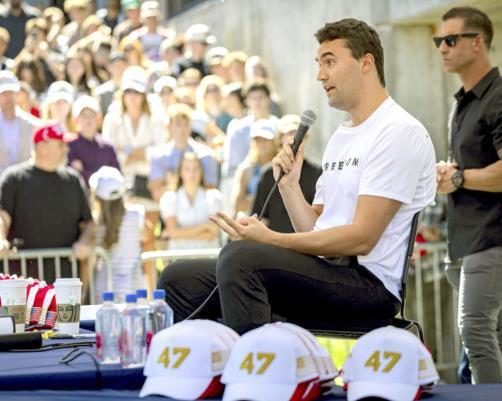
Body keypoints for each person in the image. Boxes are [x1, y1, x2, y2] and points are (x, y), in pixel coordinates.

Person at [157, 18, 436, 335]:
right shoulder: (342, 136)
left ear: (366, 63)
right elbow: (315, 227)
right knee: (178, 279)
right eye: (319, 64)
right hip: (324, 269)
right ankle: (209, 362)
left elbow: (363, 238)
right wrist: (289, 187)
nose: (320, 75)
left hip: (368, 285)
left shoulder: (398, 131)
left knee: (241, 258)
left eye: (329, 62)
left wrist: (271, 239)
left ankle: (260, 363)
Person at [434, 7, 502, 384]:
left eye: (450, 40)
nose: (442, 48)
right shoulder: (461, 101)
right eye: (438, 41)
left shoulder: (498, 96)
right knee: (488, 338)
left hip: (490, 237)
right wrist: (450, 174)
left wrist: (458, 178)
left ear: (477, 42)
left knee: (475, 332)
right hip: (463, 240)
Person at [0, 123, 94, 284]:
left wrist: (84, 242)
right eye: (61, 145)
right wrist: (1, 239)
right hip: (23, 283)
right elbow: (2, 216)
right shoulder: (14, 178)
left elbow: (89, 223)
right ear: (42, 147)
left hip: (64, 281)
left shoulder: (73, 180)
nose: (67, 149)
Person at [251, 114, 321, 233]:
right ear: (280, 138)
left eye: (299, 133)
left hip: (305, 241)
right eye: (289, 133)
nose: (294, 138)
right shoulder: (268, 173)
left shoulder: (317, 172)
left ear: (306, 139)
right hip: (274, 241)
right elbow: (260, 216)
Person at [90, 166, 147, 303]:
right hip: (131, 288)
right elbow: (148, 240)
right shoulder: (136, 215)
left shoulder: (95, 223)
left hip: (103, 289)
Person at [148, 103, 218, 202]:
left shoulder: (205, 154)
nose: (182, 129)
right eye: (178, 124)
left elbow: (210, 190)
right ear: (169, 126)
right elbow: (157, 194)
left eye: (186, 124)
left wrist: (171, 183)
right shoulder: (158, 155)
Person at [159, 152, 221, 251]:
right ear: (180, 172)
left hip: (207, 256)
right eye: (187, 169)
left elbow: (213, 234)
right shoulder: (170, 198)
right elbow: (173, 232)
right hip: (179, 256)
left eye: (195, 168)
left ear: (201, 171)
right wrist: (204, 226)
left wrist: (179, 234)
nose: (192, 173)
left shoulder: (213, 197)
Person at [68, 95, 120, 184]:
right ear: (76, 119)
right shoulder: (69, 146)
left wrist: (83, 172)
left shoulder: (108, 147)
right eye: (84, 116)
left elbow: (117, 176)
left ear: (98, 118)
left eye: (92, 115)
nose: (88, 120)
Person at [233, 119, 278, 216]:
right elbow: (237, 205)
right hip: (255, 220)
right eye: (258, 140)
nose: (261, 144)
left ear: (274, 141)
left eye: (265, 139)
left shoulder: (282, 165)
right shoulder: (246, 169)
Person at [0, 71, 41, 174]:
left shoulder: (34, 124)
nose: (8, 97)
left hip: (26, 181)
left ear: (17, 94)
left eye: (11, 93)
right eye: (3, 94)